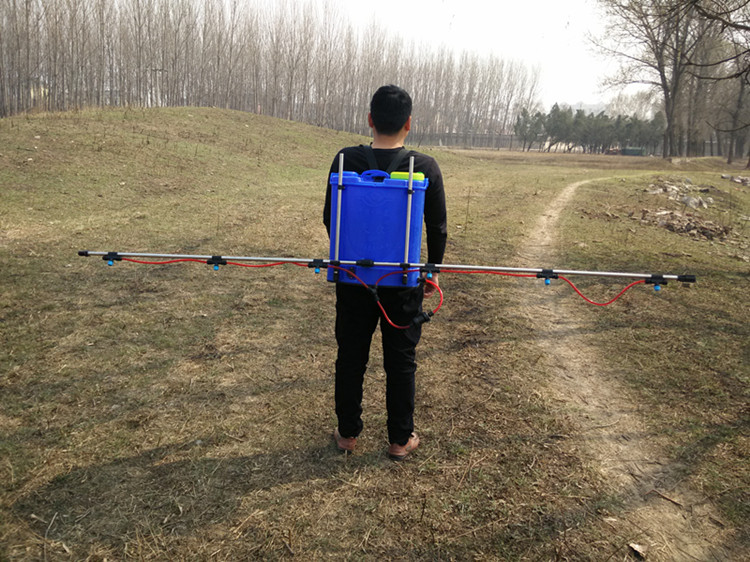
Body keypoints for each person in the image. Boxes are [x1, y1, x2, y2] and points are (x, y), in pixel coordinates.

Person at [323, 85, 447, 460]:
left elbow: (330, 217)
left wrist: (353, 255)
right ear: (409, 123)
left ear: (369, 119)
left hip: (355, 278)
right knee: (401, 360)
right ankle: (400, 440)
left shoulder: (345, 160)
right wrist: (432, 271)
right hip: (402, 282)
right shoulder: (424, 167)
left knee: (351, 356)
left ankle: (347, 434)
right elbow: (437, 228)